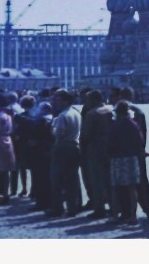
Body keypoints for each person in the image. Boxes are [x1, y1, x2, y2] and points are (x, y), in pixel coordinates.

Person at [118, 86, 149, 219]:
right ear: (132, 96)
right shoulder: (139, 111)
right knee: (142, 182)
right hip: (138, 151)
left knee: (123, 183)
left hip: (123, 153)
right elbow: (143, 132)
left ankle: (126, 211)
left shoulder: (118, 111)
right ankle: (147, 209)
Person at [48, 89, 83, 218]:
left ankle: (58, 208)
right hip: (75, 146)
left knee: (57, 179)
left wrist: (52, 129)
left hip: (62, 146)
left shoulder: (62, 116)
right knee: (72, 179)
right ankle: (73, 207)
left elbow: (59, 133)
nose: (56, 102)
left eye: (58, 100)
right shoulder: (76, 113)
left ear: (66, 101)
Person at [109, 100, 145, 225]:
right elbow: (140, 142)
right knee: (131, 189)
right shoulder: (134, 125)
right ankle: (133, 216)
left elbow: (110, 143)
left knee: (115, 188)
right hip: (131, 158)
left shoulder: (114, 126)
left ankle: (115, 215)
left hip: (117, 158)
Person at [82, 89, 115, 219]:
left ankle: (99, 208)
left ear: (93, 100)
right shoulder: (111, 110)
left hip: (95, 149)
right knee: (110, 180)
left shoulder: (91, 114)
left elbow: (85, 134)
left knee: (96, 180)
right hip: (111, 148)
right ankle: (114, 206)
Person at [28, 101, 54, 212]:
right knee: (48, 178)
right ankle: (49, 201)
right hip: (50, 151)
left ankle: (41, 202)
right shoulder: (53, 118)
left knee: (39, 178)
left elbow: (34, 137)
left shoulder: (41, 120)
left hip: (39, 151)